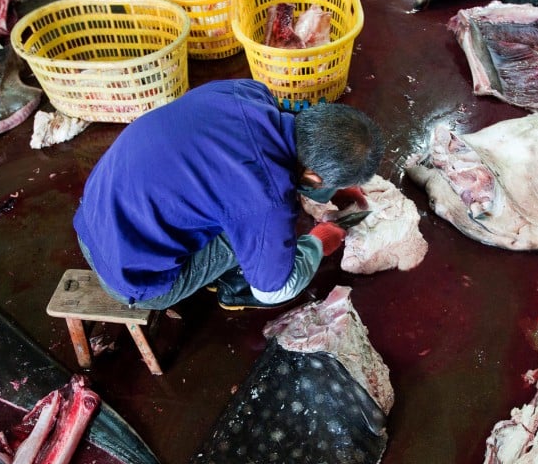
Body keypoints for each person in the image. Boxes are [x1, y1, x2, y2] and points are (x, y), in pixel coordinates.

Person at [73, 78, 384, 311]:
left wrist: (331, 174)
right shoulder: (269, 200)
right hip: (131, 278)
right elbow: (274, 290)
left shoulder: (246, 91)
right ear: (315, 176)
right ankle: (231, 286)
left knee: (223, 199)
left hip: (94, 213)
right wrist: (318, 241)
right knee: (263, 242)